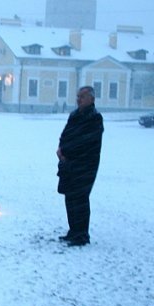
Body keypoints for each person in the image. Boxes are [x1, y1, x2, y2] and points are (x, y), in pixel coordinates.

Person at [56, 85, 104, 246]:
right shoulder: (74, 115)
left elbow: (86, 142)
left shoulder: (94, 118)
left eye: (82, 96)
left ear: (91, 99)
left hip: (85, 165)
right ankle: (73, 231)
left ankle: (82, 235)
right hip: (68, 163)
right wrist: (61, 150)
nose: (79, 99)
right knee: (70, 197)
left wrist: (69, 152)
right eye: (77, 96)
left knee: (80, 199)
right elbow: (65, 135)